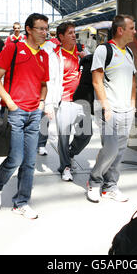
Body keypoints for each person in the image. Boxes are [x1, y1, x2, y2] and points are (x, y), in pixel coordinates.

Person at [0, 13, 49, 219]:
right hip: (15, 113)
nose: (44, 32)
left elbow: (43, 84)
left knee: (29, 162)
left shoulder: (44, 56)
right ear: (29, 29)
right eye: (40, 28)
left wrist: (41, 103)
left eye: (46, 28)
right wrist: (11, 104)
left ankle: (21, 202)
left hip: (34, 114)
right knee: (15, 158)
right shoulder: (13, 49)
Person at [86, 14, 137, 203]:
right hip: (109, 109)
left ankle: (110, 186)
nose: (135, 31)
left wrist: (132, 104)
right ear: (120, 30)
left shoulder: (129, 53)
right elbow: (97, 81)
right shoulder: (103, 50)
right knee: (111, 148)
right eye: (132, 28)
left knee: (120, 151)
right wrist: (105, 106)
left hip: (126, 110)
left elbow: (133, 80)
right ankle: (94, 181)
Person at [51, 21, 92, 181]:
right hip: (65, 100)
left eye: (74, 32)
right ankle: (65, 166)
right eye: (70, 33)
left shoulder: (80, 50)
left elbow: (92, 64)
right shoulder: (56, 56)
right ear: (61, 37)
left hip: (82, 100)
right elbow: (51, 80)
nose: (74, 35)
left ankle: (70, 153)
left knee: (86, 133)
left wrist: (86, 56)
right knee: (64, 135)